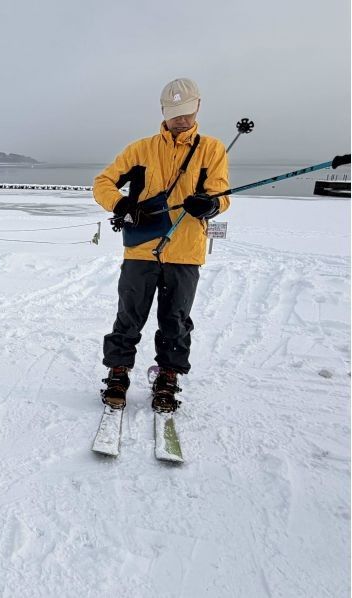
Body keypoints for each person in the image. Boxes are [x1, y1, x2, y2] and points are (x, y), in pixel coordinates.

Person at [93, 77, 230, 413]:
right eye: (173, 114)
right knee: (129, 315)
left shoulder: (212, 149)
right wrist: (122, 205)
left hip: (185, 252)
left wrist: (209, 205)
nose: (180, 120)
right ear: (163, 112)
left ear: (197, 107)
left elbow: (221, 194)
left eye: (185, 113)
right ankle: (118, 372)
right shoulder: (140, 149)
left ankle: (168, 375)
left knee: (176, 320)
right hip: (141, 250)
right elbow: (103, 183)